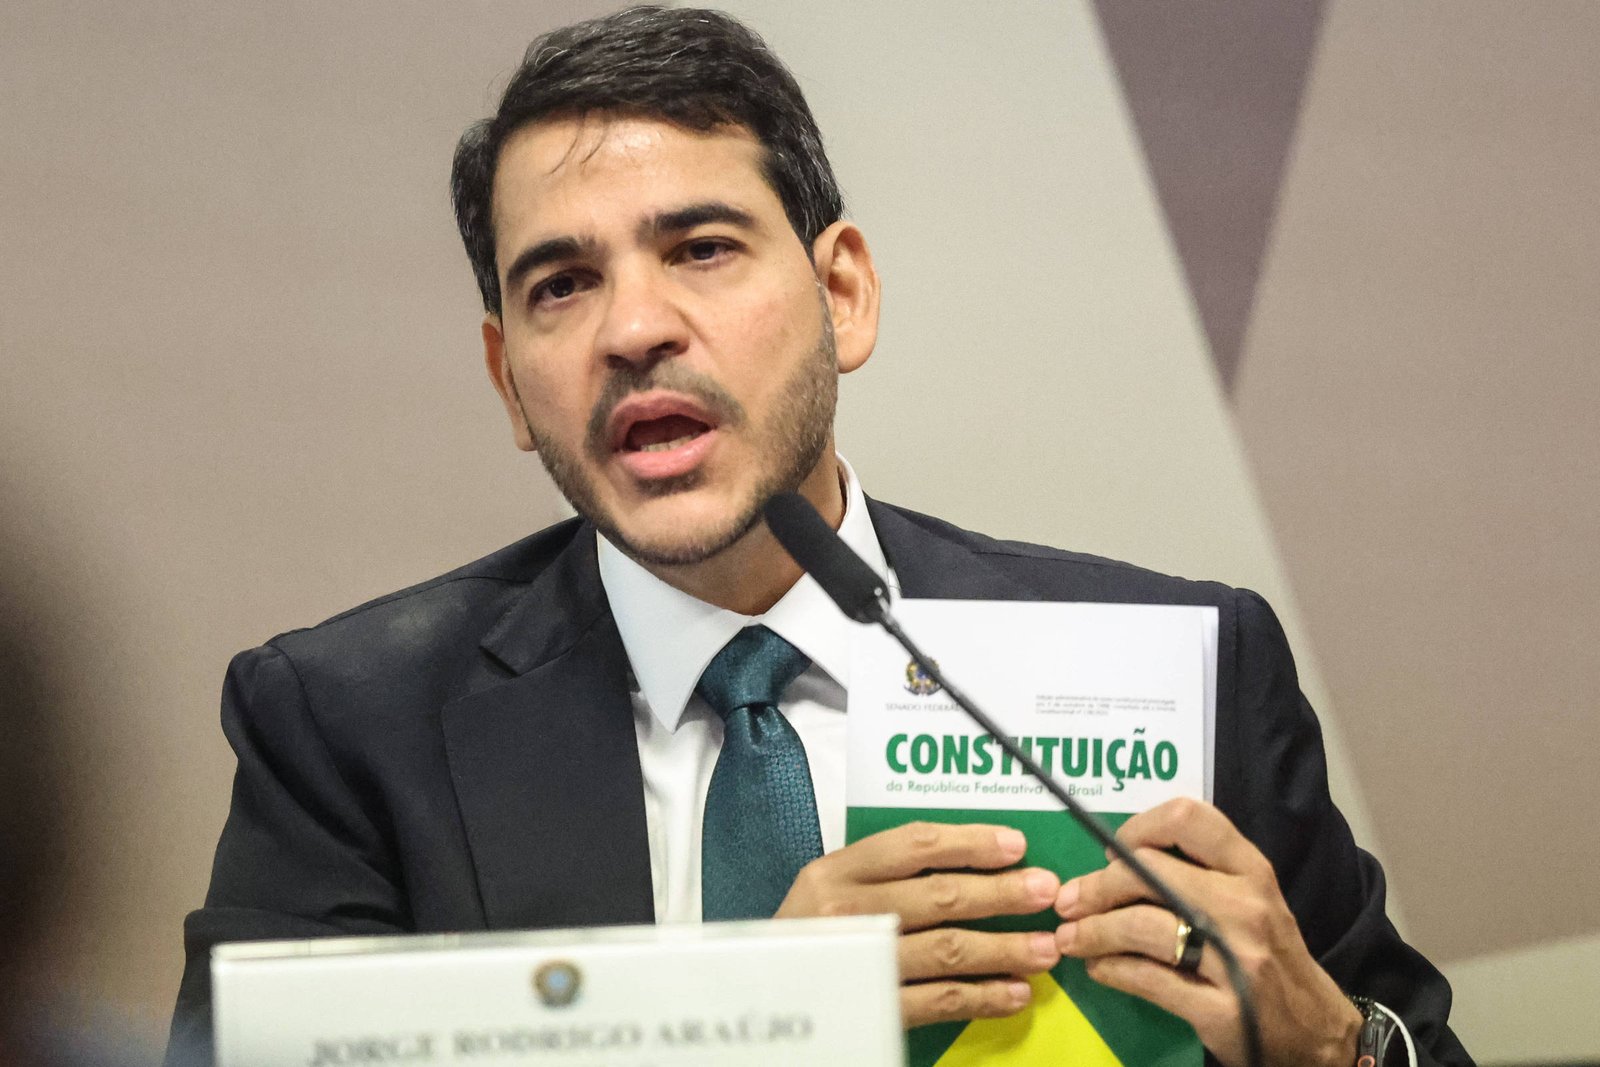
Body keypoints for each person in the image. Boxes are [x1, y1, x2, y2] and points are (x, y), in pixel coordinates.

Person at [167, 8, 1472, 1067]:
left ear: (842, 293)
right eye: (561, 285)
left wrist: (1338, 1052)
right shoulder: (349, 729)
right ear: (511, 381)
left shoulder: (1185, 666)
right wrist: (749, 1024)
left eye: (701, 248)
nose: (633, 330)